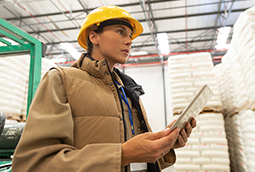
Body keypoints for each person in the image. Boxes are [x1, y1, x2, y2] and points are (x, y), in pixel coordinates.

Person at [12, 5, 196, 172]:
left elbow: (137, 160)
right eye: (121, 32)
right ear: (94, 36)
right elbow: (33, 164)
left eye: (130, 36)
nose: (129, 41)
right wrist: (122, 154)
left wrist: (165, 144)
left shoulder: (128, 90)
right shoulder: (62, 80)